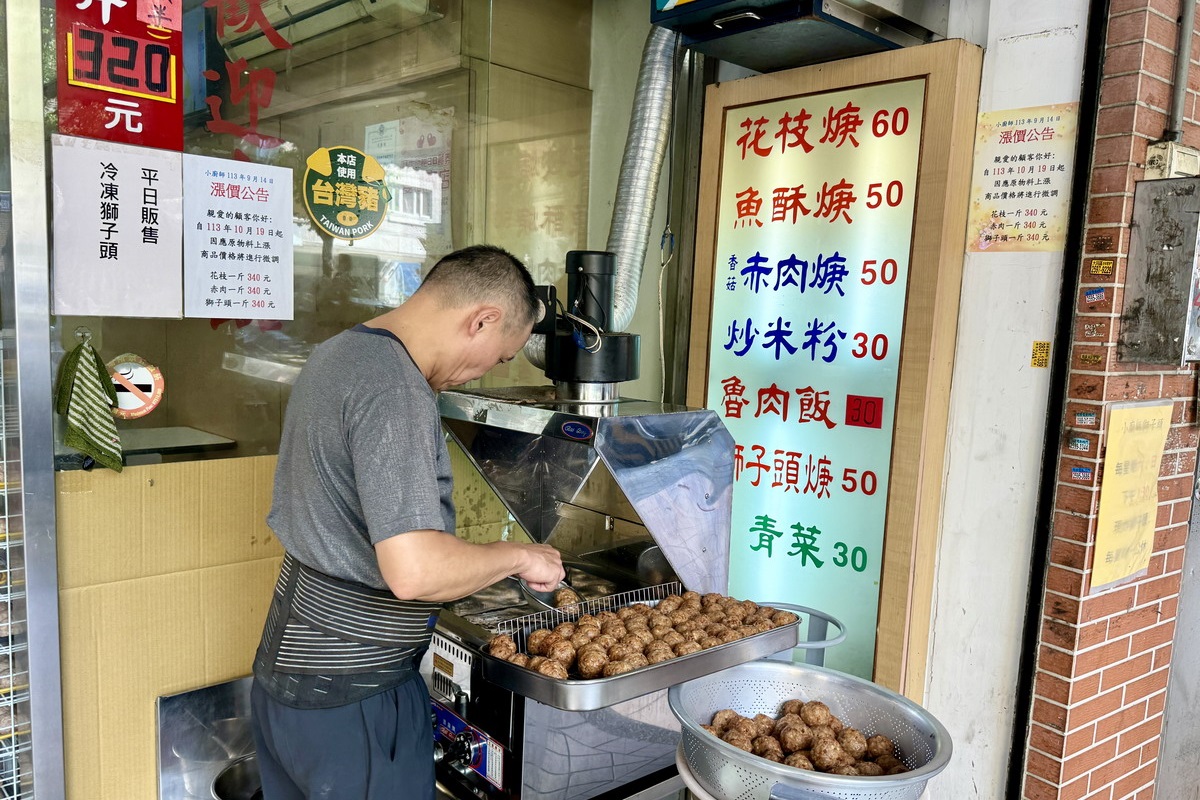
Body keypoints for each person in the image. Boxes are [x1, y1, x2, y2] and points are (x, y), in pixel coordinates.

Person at [250, 244, 565, 799]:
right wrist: (517, 555)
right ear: (482, 320)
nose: (486, 371)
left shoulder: (339, 352)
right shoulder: (395, 387)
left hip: (290, 680)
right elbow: (414, 572)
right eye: (499, 356)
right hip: (355, 697)